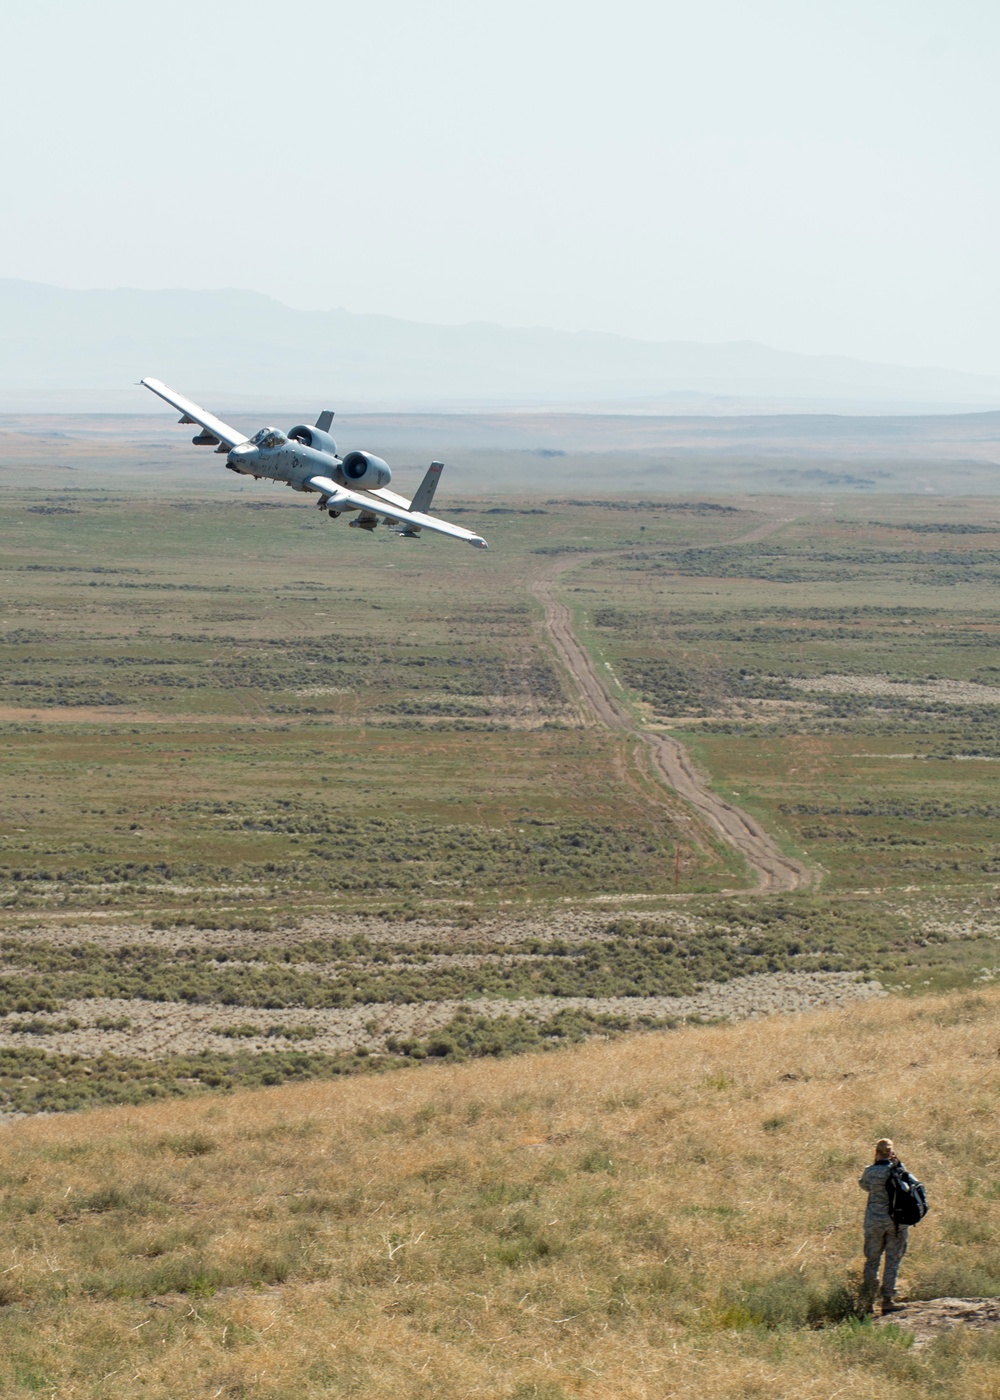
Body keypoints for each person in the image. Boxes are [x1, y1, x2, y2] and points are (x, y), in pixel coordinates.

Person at [859, 1138, 909, 1313]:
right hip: (896, 1223)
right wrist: (897, 1164)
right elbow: (908, 1186)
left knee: (872, 1261)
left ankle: (868, 1302)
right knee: (892, 1261)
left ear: (876, 1152)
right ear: (891, 1153)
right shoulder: (898, 1171)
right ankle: (888, 1300)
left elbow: (863, 1185)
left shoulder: (870, 1172)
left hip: (874, 1223)